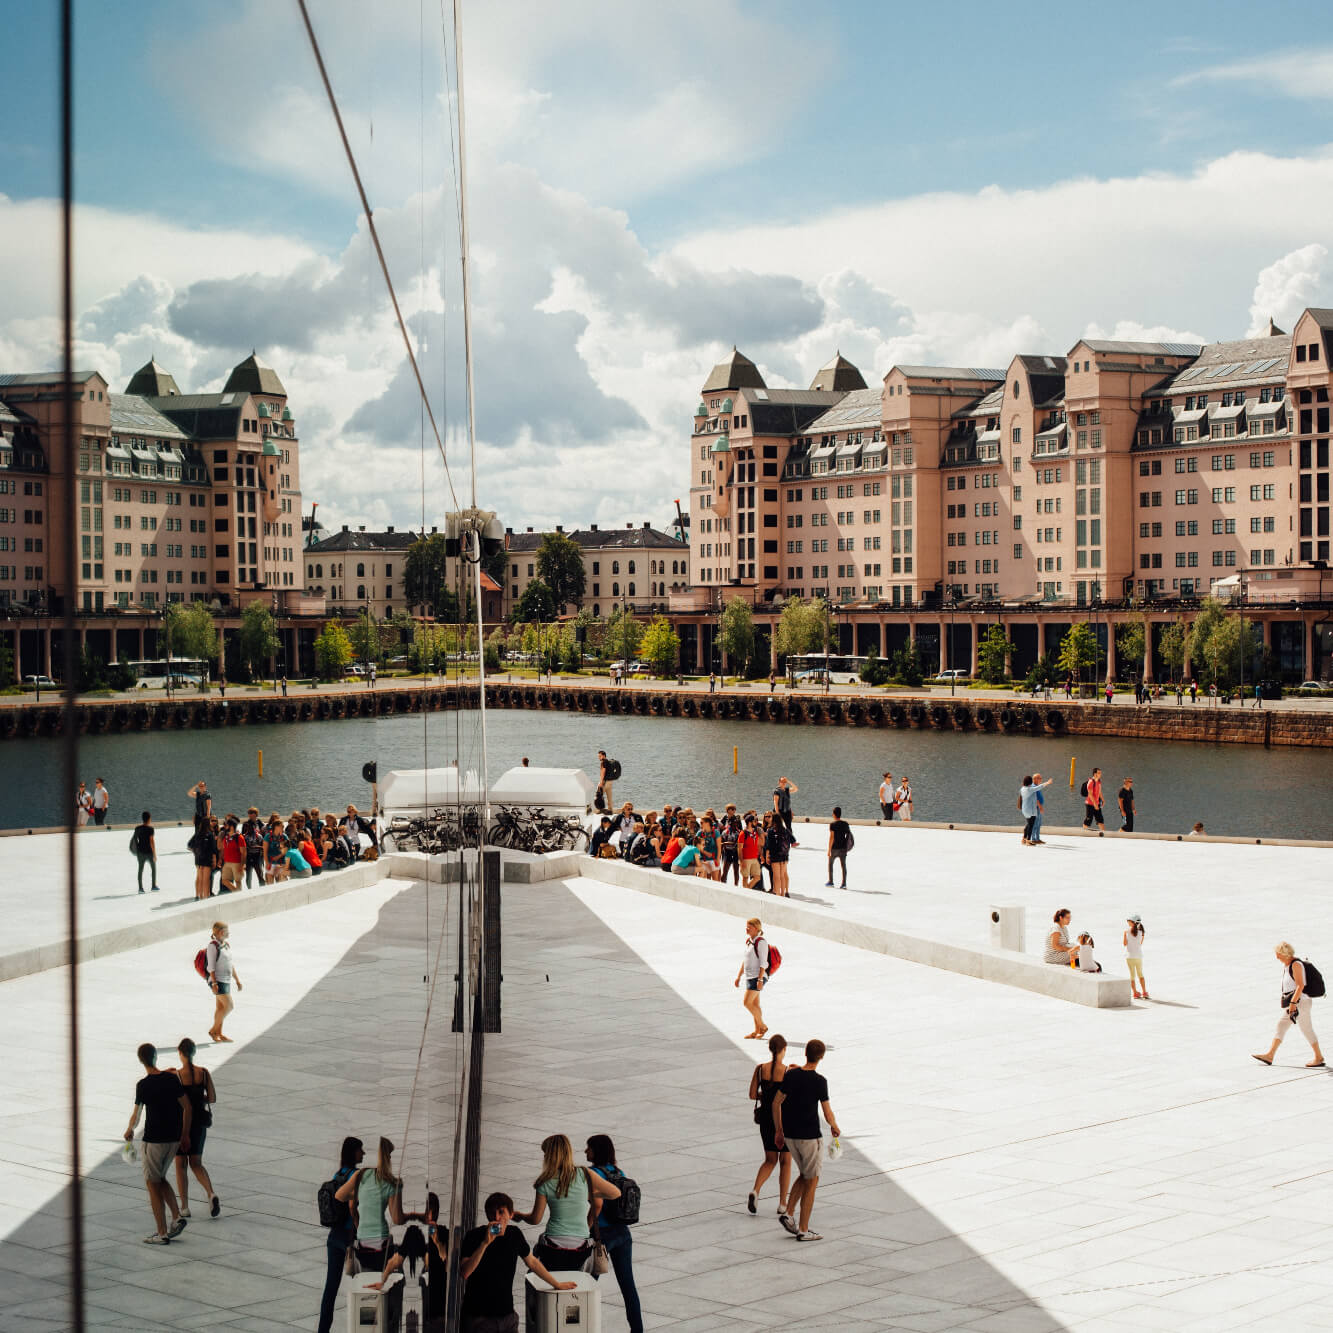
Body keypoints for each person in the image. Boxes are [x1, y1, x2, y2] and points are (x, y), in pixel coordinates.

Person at [460, 1191, 576, 1333]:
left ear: (511, 1215)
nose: (496, 1218)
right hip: (478, 1317)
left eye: (501, 1212)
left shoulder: (514, 1234)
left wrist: (556, 1284)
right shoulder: (474, 1236)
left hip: (507, 1315)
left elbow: (532, 1262)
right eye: (491, 1213)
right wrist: (484, 1243)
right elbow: (465, 1272)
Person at [516, 1133, 622, 1272]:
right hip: (581, 1247)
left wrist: (521, 1216)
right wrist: (586, 1193)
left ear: (551, 1156)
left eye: (545, 1153)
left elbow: (536, 1219)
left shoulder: (544, 1182)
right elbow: (615, 1193)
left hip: (552, 1246)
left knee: (534, 1277)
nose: (544, 1157)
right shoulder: (584, 1174)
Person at [773, 1038, 841, 1243]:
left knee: (804, 1174)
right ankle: (803, 1229)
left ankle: (788, 1213)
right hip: (810, 1137)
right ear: (821, 1057)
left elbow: (776, 1103)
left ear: (805, 1053)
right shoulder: (820, 1081)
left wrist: (779, 1131)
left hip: (791, 1136)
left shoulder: (791, 1075)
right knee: (812, 1180)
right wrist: (835, 1126)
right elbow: (827, 1111)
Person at [123, 1043, 191, 1244]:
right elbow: (187, 1107)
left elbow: (137, 1114)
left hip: (154, 1140)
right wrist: (185, 1135)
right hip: (173, 1139)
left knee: (152, 1183)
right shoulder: (171, 1079)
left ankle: (161, 1233)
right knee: (159, 1178)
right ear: (156, 1057)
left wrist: (130, 1129)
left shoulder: (143, 1085)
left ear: (141, 1060)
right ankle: (177, 1217)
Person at [586, 1135, 643, 1333]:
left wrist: (586, 1229)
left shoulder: (592, 1174)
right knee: (628, 1287)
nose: (586, 1152)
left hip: (602, 1235)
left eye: (589, 1148)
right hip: (623, 1233)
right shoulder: (618, 1171)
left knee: (585, 1285)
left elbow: (597, 1205)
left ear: (596, 1151)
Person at [334, 1136, 406, 1273]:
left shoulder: (361, 1175)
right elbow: (397, 1219)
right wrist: (411, 1216)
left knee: (367, 1275)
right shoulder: (392, 1182)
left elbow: (340, 1196)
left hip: (363, 1244)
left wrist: (358, 1196)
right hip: (382, 1243)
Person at [318, 1136, 365, 1333]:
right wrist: (361, 1232)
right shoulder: (355, 1176)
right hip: (349, 1239)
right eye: (360, 1150)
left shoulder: (339, 1174)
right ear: (352, 1152)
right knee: (366, 1286)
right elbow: (353, 1207)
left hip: (333, 1238)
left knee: (330, 1290)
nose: (363, 1153)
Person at [1253, 944, 1326, 1068]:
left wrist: (1292, 1004)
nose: (1276, 957)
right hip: (1297, 1002)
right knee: (1283, 1026)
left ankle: (1318, 1057)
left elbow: (1300, 985)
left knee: (1305, 1029)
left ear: (1284, 953)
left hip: (1300, 1002)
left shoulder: (1296, 964)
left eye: (1278, 954)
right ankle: (1270, 1055)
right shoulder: (1288, 965)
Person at [172, 1038, 219, 1219]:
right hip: (199, 1123)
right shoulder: (204, 1073)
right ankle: (210, 1193)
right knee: (197, 1163)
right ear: (194, 1052)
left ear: (180, 1052)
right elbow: (212, 1098)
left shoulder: (177, 1076)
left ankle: (184, 1206)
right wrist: (200, 1099)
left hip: (181, 1123)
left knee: (180, 1165)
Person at [747, 1033, 791, 1219]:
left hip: (765, 1118)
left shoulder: (759, 1069)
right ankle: (782, 1203)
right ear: (783, 1050)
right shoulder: (787, 1071)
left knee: (770, 1160)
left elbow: (751, 1094)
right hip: (784, 1119)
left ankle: (756, 1190)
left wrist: (765, 1097)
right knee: (785, 1161)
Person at [205, 922, 243, 1042]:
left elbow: (230, 964)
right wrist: (214, 983)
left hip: (226, 980)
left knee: (221, 1008)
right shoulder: (212, 946)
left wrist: (237, 980)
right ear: (221, 932)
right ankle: (213, 1031)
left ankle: (219, 1034)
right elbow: (210, 966)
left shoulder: (226, 945)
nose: (229, 933)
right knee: (229, 1006)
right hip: (218, 981)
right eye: (227, 931)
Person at [734, 918, 770, 1039]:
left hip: (757, 977)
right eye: (746, 926)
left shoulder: (761, 942)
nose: (746, 928)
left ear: (756, 928)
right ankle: (756, 1031)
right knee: (755, 1004)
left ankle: (763, 1026)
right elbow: (745, 961)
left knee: (747, 1003)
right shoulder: (749, 941)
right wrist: (739, 976)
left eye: (749, 927)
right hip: (750, 977)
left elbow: (763, 963)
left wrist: (760, 979)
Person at [190, 813, 219, 900]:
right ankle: (205, 896)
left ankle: (198, 895)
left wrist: (196, 852)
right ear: (208, 823)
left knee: (199, 877)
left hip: (198, 859)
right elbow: (213, 849)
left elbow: (190, 845)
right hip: (207, 859)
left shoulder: (197, 834)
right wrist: (214, 860)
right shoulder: (210, 834)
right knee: (206, 879)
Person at [764, 813, 790, 896]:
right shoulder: (785, 830)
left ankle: (778, 894)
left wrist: (767, 856)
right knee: (782, 876)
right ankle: (783, 893)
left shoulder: (771, 830)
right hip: (784, 856)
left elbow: (768, 845)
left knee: (776, 876)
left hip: (775, 855)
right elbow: (790, 843)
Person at [132, 810, 159, 893]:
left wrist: (136, 849)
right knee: (153, 868)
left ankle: (140, 888)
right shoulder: (150, 829)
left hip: (140, 852)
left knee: (140, 870)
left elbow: (135, 839)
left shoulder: (137, 828)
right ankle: (153, 886)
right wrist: (154, 854)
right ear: (149, 819)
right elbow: (152, 841)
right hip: (149, 852)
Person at [241, 807, 267, 889]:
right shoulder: (246, 824)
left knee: (260, 872)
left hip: (258, 853)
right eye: (249, 814)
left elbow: (263, 838)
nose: (251, 816)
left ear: (256, 814)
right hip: (248, 854)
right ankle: (249, 889)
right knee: (248, 874)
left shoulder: (261, 824)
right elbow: (243, 836)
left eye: (253, 814)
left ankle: (262, 888)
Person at [826, 807, 851, 889]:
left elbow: (831, 837)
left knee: (830, 864)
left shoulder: (832, 824)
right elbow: (848, 835)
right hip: (843, 848)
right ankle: (844, 884)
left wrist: (829, 849)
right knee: (843, 866)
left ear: (834, 814)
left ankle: (831, 881)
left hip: (834, 848)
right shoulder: (845, 824)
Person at [219, 815, 245, 893]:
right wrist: (220, 859)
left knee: (238, 881)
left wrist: (242, 865)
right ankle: (237, 892)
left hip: (236, 863)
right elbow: (223, 849)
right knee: (224, 880)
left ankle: (238, 895)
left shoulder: (239, 837)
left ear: (232, 826)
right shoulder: (225, 836)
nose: (225, 826)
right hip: (227, 862)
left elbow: (243, 853)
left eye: (227, 825)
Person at [1125, 916, 1148, 999]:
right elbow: (1140, 943)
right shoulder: (1141, 932)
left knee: (1132, 975)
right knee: (1140, 974)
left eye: (1129, 921)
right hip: (1138, 956)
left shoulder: (1127, 932)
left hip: (1129, 956)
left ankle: (1135, 993)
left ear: (1133, 922)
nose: (1127, 922)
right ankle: (1144, 992)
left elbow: (1124, 943)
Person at [772, 776, 799, 845]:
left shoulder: (787, 790)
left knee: (789, 827)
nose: (783, 783)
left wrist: (789, 781)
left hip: (787, 811)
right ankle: (776, 841)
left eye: (785, 782)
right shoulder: (777, 791)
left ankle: (792, 842)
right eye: (782, 782)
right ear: (779, 782)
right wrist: (777, 812)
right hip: (779, 810)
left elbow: (796, 789)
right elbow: (775, 802)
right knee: (777, 826)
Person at [739, 816, 763, 890]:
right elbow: (739, 849)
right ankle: (746, 892)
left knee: (757, 877)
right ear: (750, 822)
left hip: (754, 858)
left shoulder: (755, 832)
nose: (756, 823)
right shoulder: (743, 833)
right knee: (745, 878)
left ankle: (746, 890)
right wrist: (741, 861)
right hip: (746, 859)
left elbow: (759, 844)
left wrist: (761, 855)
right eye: (754, 821)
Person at [1030, 772, 1051, 845]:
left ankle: (1037, 838)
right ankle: (1033, 839)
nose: (1041, 779)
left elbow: (1042, 786)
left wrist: (1047, 783)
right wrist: (1040, 806)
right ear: (1035, 779)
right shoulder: (1033, 787)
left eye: (1041, 778)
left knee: (1038, 824)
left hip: (1038, 808)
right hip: (1036, 808)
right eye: (1039, 778)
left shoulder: (1037, 786)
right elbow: (1035, 799)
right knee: (1035, 824)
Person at [1018, 775, 1038, 846]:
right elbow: (1038, 787)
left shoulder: (1022, 788)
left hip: (1025, 809)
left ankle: (1024, 838)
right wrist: (1047, 783)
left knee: (1029, 824)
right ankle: (1028, 840)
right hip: (1030, 810)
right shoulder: (1029, 789)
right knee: (1031, 825)